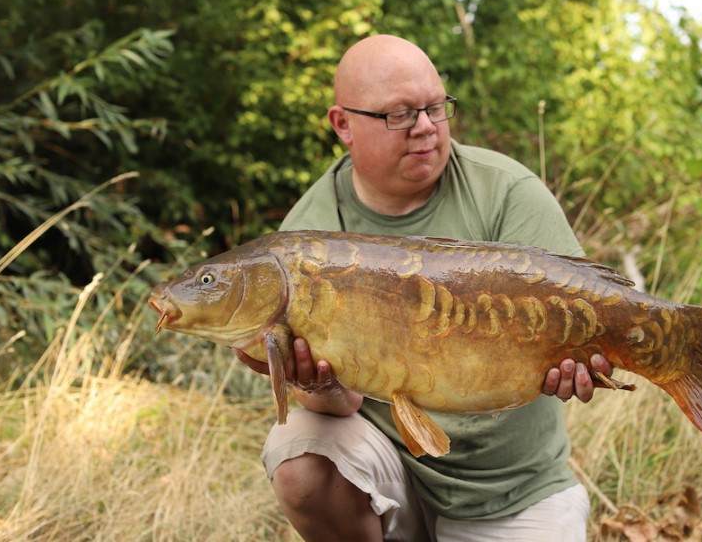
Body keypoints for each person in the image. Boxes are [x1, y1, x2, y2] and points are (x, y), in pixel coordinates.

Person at [248, 34, 614, 541]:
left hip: (513, 487)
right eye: (399, 114)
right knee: (299, 453)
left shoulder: (506, 192)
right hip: (393, 475)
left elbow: (589, 317)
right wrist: (319, 384)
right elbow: (341, 408)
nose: (424, 128)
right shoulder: (306, 241)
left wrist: (586, 360)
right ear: (343, 124)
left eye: (436, 108)